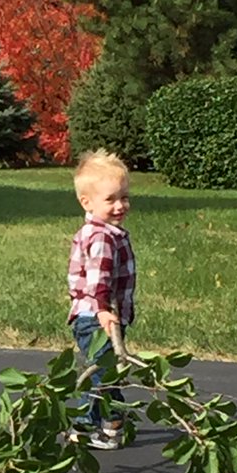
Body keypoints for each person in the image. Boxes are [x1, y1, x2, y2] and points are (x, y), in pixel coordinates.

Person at [67, 149, 136, 450]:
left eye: (124, 197)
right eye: (110, 199)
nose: (120, 205)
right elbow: (98, 279)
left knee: (97, 370)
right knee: (103, 373)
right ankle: (107, 424)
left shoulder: (108, 232)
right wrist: (103, 312)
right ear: (87, 202)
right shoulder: (101, 237)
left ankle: (90, 423)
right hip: (95, 318)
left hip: (104, 315)